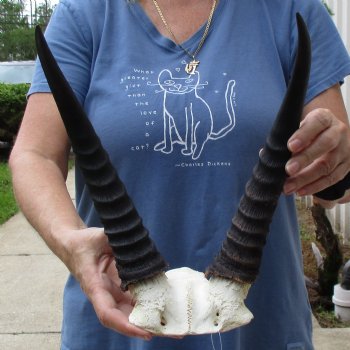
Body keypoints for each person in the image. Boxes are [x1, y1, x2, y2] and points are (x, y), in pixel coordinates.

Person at [9, 0, 350, 349]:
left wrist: (333, 167)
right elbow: (36, 154)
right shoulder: (83, 14)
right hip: (119, 324)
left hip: (260, 328)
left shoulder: (290, 8)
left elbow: (333, 166)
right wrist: (69, 241)